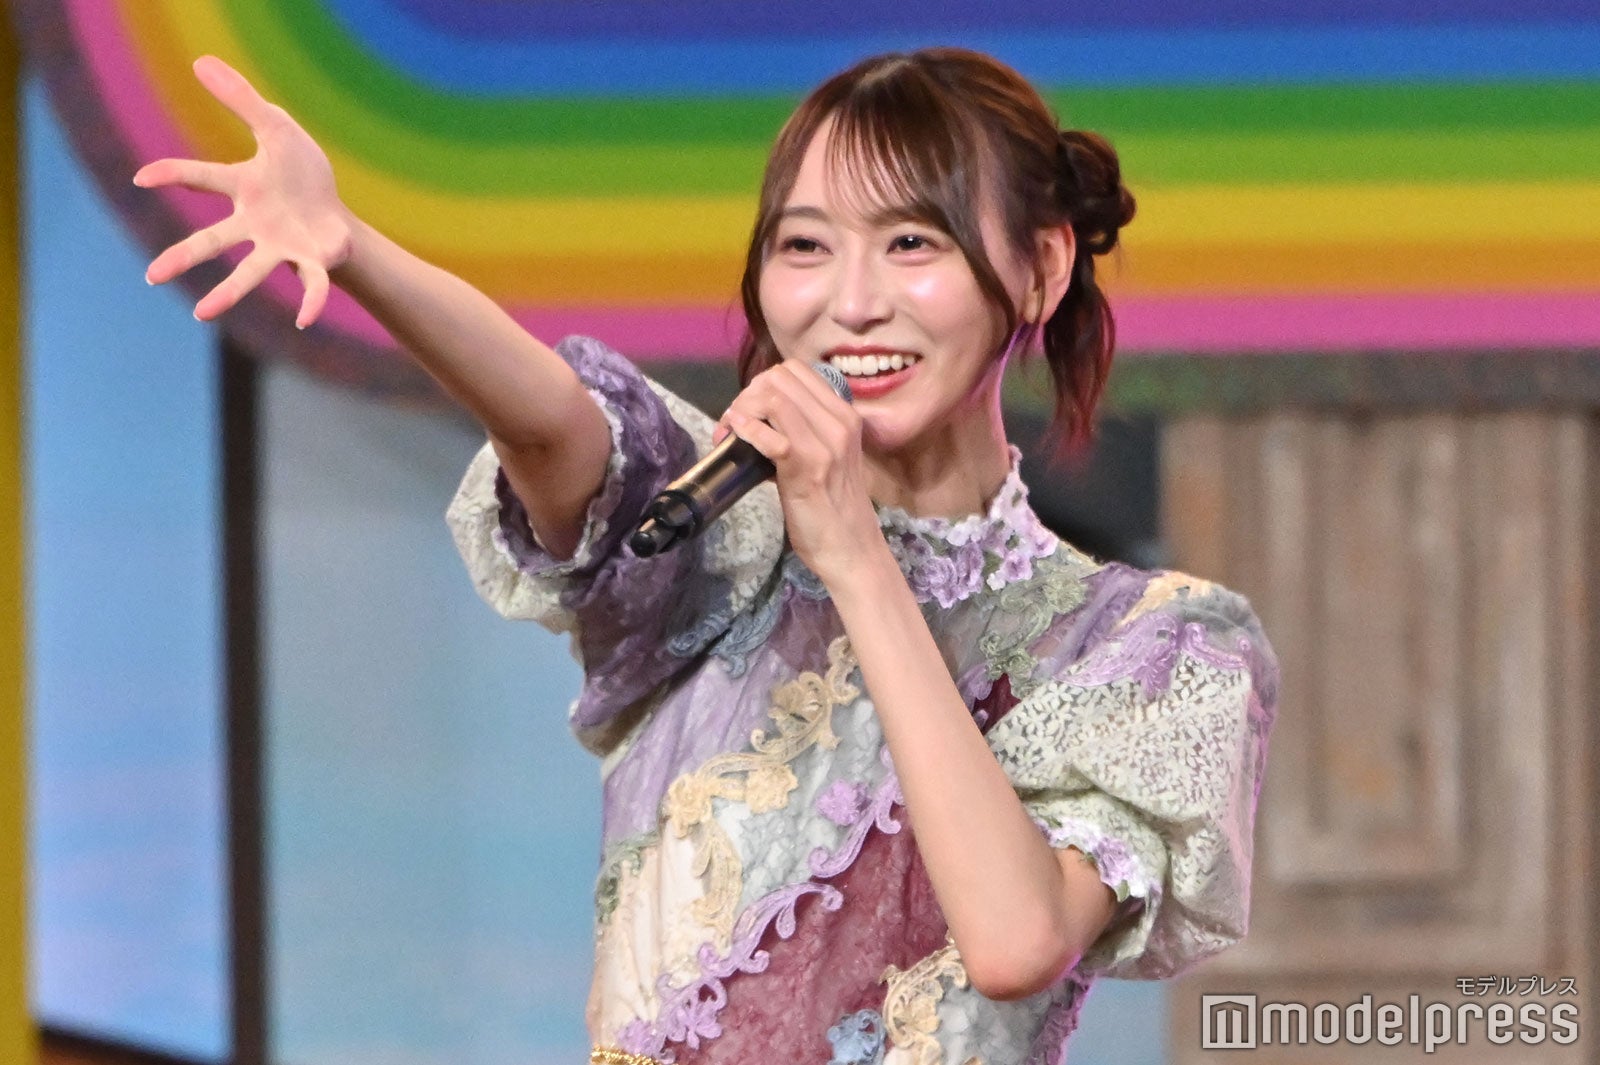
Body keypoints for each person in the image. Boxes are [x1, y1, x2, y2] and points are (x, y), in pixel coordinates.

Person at [138, 47, 1277, 1065]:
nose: (851, 303)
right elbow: (549, 421)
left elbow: (1017, 942)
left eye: (911, 243)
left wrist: (857, 560)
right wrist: (355, 251)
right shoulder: (716, 532)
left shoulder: (1147, 648)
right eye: (805, 247)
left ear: (1041, 267)